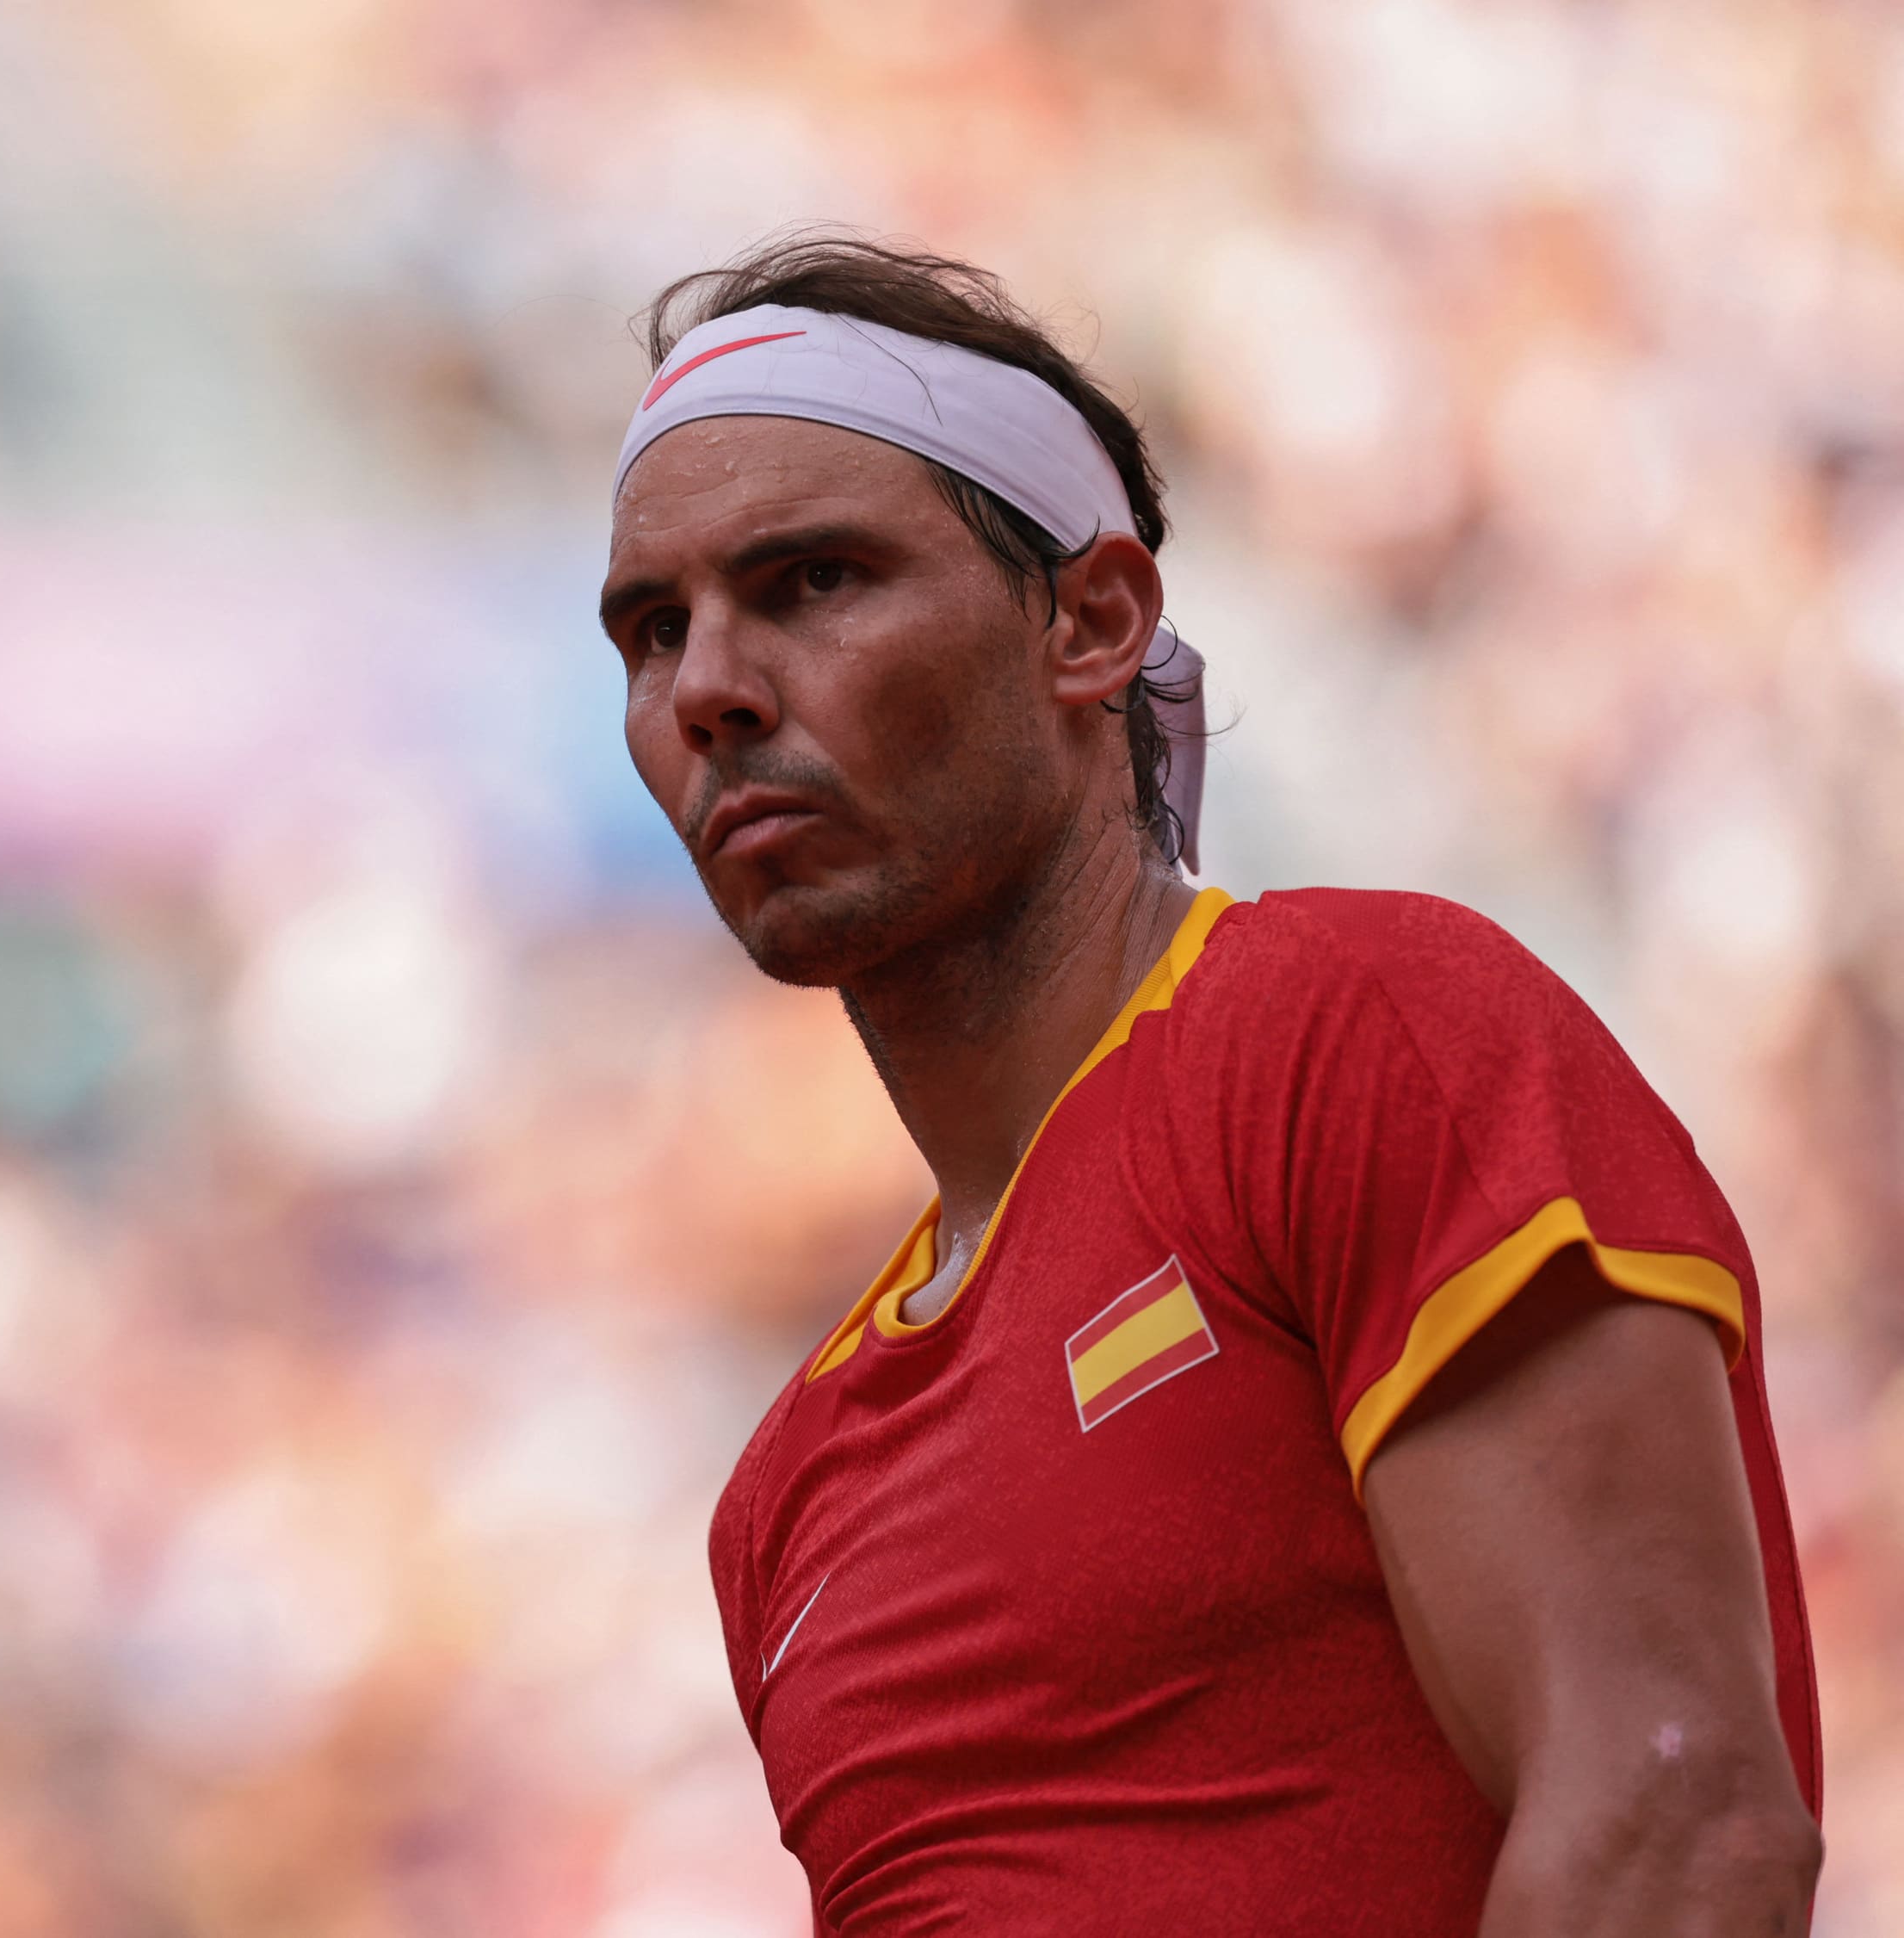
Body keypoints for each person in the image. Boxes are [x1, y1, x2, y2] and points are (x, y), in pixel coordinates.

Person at [597, 235, 1822, 1935]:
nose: (709, 691)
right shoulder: (783, 1495)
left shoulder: (1348, 1030)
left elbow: (1675, 1822)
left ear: (1092, 622)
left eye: (812, 580)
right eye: (654, 631)